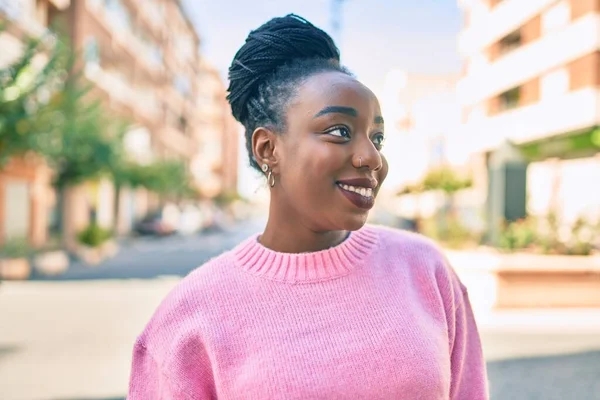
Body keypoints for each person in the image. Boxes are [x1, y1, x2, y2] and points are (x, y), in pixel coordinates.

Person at [128, 14, 489, 400]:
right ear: (268, 149)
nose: (372, 158)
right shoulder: (190, 316)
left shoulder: (425, 270)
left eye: (377, 138)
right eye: (339, 131)